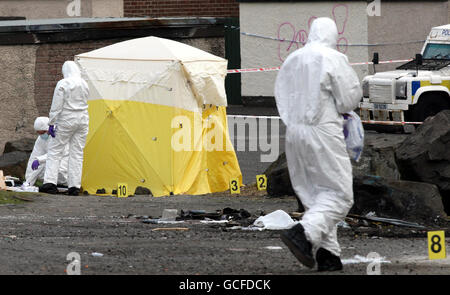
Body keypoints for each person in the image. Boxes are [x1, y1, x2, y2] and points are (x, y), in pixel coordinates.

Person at [274, 17, 362, 272]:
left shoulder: (293, 59)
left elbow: (281, 95)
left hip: (294, 131)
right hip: (322, 129)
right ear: (333, 35)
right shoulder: (332, 57)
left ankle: (328, 254)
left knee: (315, 194)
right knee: (340, 194)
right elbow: (348, 99)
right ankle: (303, 233)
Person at [40, 61, 89, 196]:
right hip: (83, 120)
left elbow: (57, 104)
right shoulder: (84, 83)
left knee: (55, 151)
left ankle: (50, 183)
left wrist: (52, 122)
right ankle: (74, 186)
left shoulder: (63, 83)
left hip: (67, 119)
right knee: (77, 154)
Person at [25, 117, 69, 187]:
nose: (41, 135)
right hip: (49, 160)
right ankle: (51, 184)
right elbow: (34, 155)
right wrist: (28, 181)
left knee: (57, 170)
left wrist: (40, 160)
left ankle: (64, 184)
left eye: (42, 133)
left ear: (47, 129)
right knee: (40, 169)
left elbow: (56, 153)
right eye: (38, 133)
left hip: (63, 163)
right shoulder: (40, 139)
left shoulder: (59, 135)